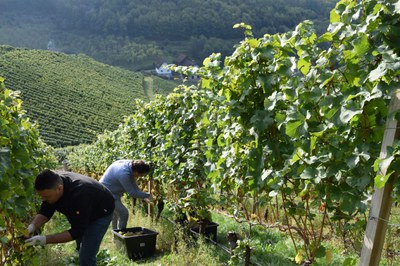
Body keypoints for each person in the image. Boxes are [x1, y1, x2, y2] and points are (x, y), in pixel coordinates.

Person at [25, 169, 115, 266]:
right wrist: (31, 227)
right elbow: (45, 211)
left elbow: (77, 231)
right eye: (41, 197)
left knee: (86, 256)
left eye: (46, 196)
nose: (44, 199)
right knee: (80, 245)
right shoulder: (53, 183)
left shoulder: (80, 193)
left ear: (59, 189)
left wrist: (45, 239)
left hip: (101, 212)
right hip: (81, 209)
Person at [100, 159, 152, 230]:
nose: (141, 176)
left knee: (115, 215)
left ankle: (116, 238)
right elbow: (132, 192)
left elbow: (133, 184)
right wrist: (148, 195)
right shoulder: (123, 173)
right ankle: (122, 236)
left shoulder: (129, 165)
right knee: (124, 213)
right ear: (136, 171)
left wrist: (143, 196)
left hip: (112, 192)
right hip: (106, 194)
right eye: (140, 175)